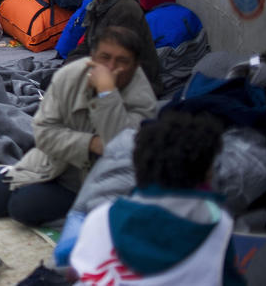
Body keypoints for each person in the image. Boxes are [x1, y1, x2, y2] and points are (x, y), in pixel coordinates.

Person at [0, 26, 158, 227]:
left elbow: (117, 149)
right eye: (104, 58)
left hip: (91, 182)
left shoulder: (142, 98)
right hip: (53, 161)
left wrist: (107, 94)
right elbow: (44, 132)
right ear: (93, 57)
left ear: (135, 66)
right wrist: (89, 143)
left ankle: (75, 211)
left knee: (22, 207)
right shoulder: (71, 75)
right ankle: (9, 172)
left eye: (122, 61)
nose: (111, 67)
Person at [70, 112, 243, 285]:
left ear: (138, 168)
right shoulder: (219, 225)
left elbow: (80, 273)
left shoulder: (101, 219)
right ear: (206, 173)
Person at [67, 0, 161, 95]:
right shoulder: (99, 4)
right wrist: (66, 69)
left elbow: (119, 63)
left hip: (132, 83)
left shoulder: (125, 10)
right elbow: (87, 46)